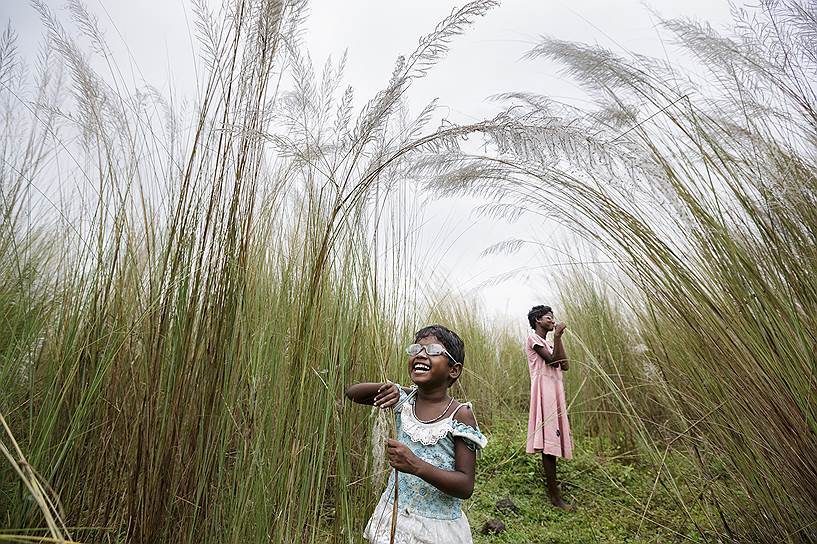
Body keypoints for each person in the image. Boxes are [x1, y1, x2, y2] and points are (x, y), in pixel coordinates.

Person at [345, 324, 488, 544]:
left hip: (435, 527)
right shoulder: (403, 400)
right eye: (416, 349)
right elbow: (352, 393)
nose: (420, 355)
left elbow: (465, 485)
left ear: (454, 370)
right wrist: (386, 387)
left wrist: (416, 465)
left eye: (432, 351)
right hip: (395, 516)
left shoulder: (460, 415)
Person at [525, 305, 574, 510]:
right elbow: (552, 361)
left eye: (553, 317)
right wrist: (558, 337)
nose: (552, 320)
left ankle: (555, 493)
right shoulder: (533, 339)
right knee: (548, 445)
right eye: (548, 317)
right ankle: (555, 498)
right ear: (538, 320)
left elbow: (564, 365)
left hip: (555, 391)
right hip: (544, 392)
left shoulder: (551, 342)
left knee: (553, 441)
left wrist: (558, 339)